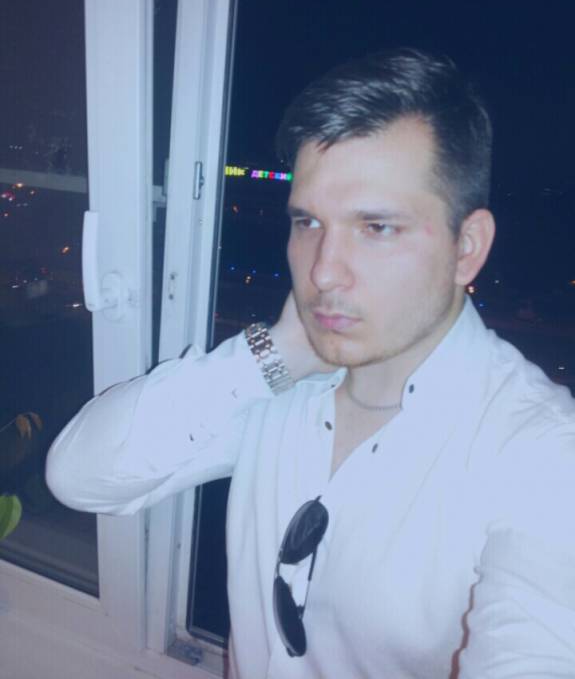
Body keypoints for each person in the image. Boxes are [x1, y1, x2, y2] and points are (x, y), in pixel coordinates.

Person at [46, 49, 575, 678]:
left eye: (376, 228)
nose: (323, 272)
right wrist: (275, 355)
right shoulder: (286, 381)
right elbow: (79, 476)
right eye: (307, 222)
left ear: (467, 247)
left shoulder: (539, 451)